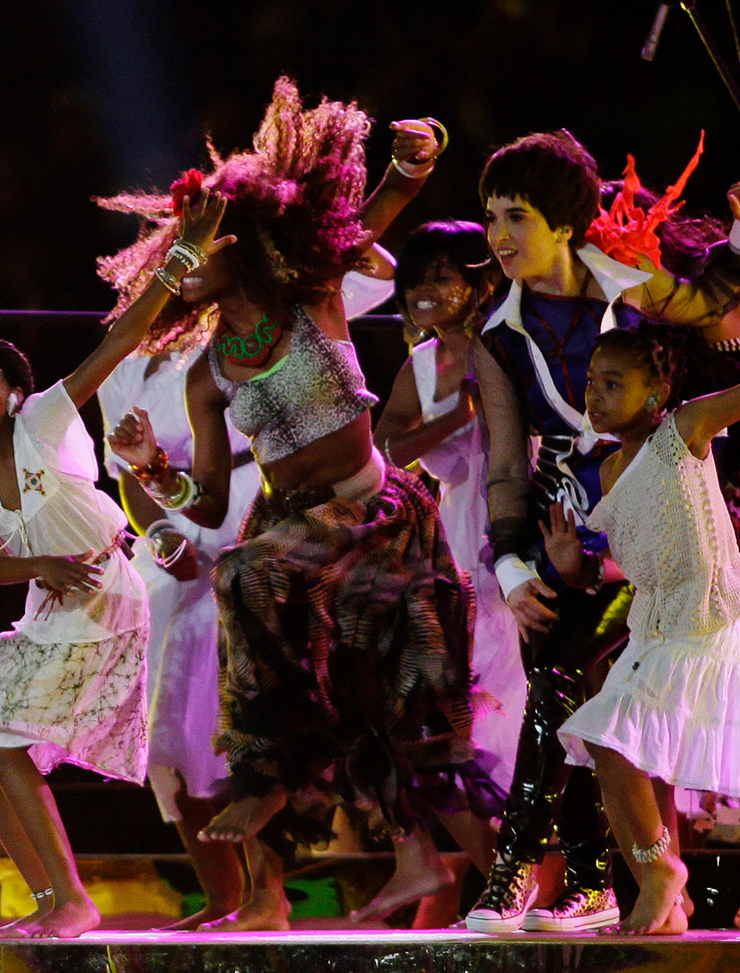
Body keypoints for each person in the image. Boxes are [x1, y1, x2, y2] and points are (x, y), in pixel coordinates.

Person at [103, 78, 485, 933]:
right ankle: (414, 859)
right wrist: (152, 468)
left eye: (196, 251)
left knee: (247, 574)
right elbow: (204, 503)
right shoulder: (207, 375)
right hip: (296, 534)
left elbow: (373, 218)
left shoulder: (312, 290)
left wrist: (409, 169)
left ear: (238, 245)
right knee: (352, 696)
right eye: (175, 255)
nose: (182, 267)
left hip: (372, 516)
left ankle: (266, 772)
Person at [466, 132, 740, 932]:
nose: (498, 237)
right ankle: (587, 879)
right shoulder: (496, 333)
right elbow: (504, 462)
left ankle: (532, 876)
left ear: (565, 223)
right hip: (577, 522)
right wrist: (510, 567)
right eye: (490, 217)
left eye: (516, 216)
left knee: (582, 692)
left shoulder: (629, 286)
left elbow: (710, 301)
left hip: (668, 519)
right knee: (564, 685)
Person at [0, 187, 231, 939]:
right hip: (47, 612)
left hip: (105, 599)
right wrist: (37, 566)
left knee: (0, 736)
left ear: (14, 395)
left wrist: (181, 252)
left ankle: (71, 898)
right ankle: (46, 900)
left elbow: (121, 338)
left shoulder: (47, 422)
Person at [545, 326, 740, 934]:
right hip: (655, 624)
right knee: (630, 753)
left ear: (657, 393)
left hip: (703, 616)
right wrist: (577, 569)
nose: (594, 396)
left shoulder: (683, 431)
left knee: (608, 737)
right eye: (592, 382)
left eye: (613, 384)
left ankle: (659, 873)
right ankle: (671, 902)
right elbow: (630, 559)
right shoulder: (610, 470)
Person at [369, 221, 524, 922]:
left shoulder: (514, 344)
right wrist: (457, 412)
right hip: (456, 547)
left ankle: (523, 887)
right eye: (415, 280)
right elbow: (389, 448)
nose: (425, 291)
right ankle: (499, 881)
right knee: (446, 731)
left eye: (441, 276)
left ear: (477, 282)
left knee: (514, 732)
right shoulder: (421, 364)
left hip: (521, 528)